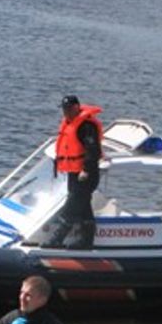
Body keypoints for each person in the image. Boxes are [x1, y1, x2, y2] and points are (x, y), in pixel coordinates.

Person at [43, 95, 103, 250]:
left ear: (77, 107)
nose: (66, 112)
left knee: (72, 206)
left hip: (86, 175)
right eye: (64, 109)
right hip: (73, 173)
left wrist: (86, 170)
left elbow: (92, 150)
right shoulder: (69, 124)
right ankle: (86, 241)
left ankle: (56, 239)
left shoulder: (86, 126)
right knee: (83, 207)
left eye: (69, 109)